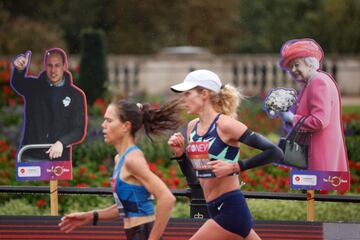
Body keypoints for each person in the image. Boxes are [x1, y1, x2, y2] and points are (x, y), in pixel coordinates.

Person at [168, 69, 283, 240]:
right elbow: (195, 180)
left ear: (204, 94)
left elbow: (275, 152)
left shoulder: (226, 125)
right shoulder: (192, 128)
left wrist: (236, 167)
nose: (183, 99)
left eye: (187, 93)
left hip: (231, 211)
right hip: (213, 209)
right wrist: (180, 156)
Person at [59, 99, 183, 240]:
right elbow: (127, 206)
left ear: (126, 126)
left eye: (109, 120)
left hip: (144, 233)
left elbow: (167, 198)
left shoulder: (132, 159)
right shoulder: (120, 158)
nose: (103, 125)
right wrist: (91, 215)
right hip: (135, 233)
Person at [278, 38, 349, 172]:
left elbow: (319, 120)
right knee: (313, 192)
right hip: (318, 149)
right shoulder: (312, 81)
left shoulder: (318, 82)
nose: (293, 70)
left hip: (319, 151)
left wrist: (292, 119)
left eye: (297, 64)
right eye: (291, 66)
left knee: (316, 192)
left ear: (310, 64)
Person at [10, 48, 86, 161]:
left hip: (59, 158)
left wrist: (62, 142)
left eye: (57, 65)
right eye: (50, 65)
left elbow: (78, 129)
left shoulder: (76, 95)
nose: (53, 70)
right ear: (45, 66)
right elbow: (17, 83)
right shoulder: (34, 87)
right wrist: (19, 70)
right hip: (30, 155)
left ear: (65, 66)